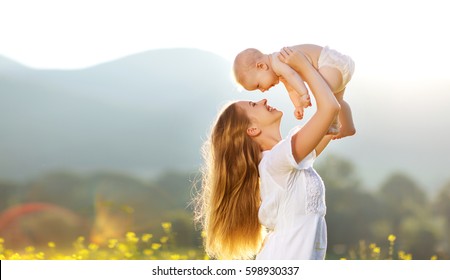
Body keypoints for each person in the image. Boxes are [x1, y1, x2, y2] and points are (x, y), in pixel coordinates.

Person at [194, 47, 341, 260]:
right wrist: (303, 67)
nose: (262, 100)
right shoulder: (277, 160)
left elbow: (336, 124)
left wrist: (332, 71)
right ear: (252, 130)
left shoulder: (283, 158)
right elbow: (329, 109)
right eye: (254, 104)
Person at [233, 44, 355, 139]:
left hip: (330, 63)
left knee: (323, 92)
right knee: (337, 100)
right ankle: (348, 127)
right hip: (335, 69)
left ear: (261, 66)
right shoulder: (280, 72)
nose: (262, 90)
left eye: (258, 85)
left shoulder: (278, 59)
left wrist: (303, 94)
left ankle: (333, 123)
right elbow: (291, 89)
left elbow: (292, 75)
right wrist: (298, 105)